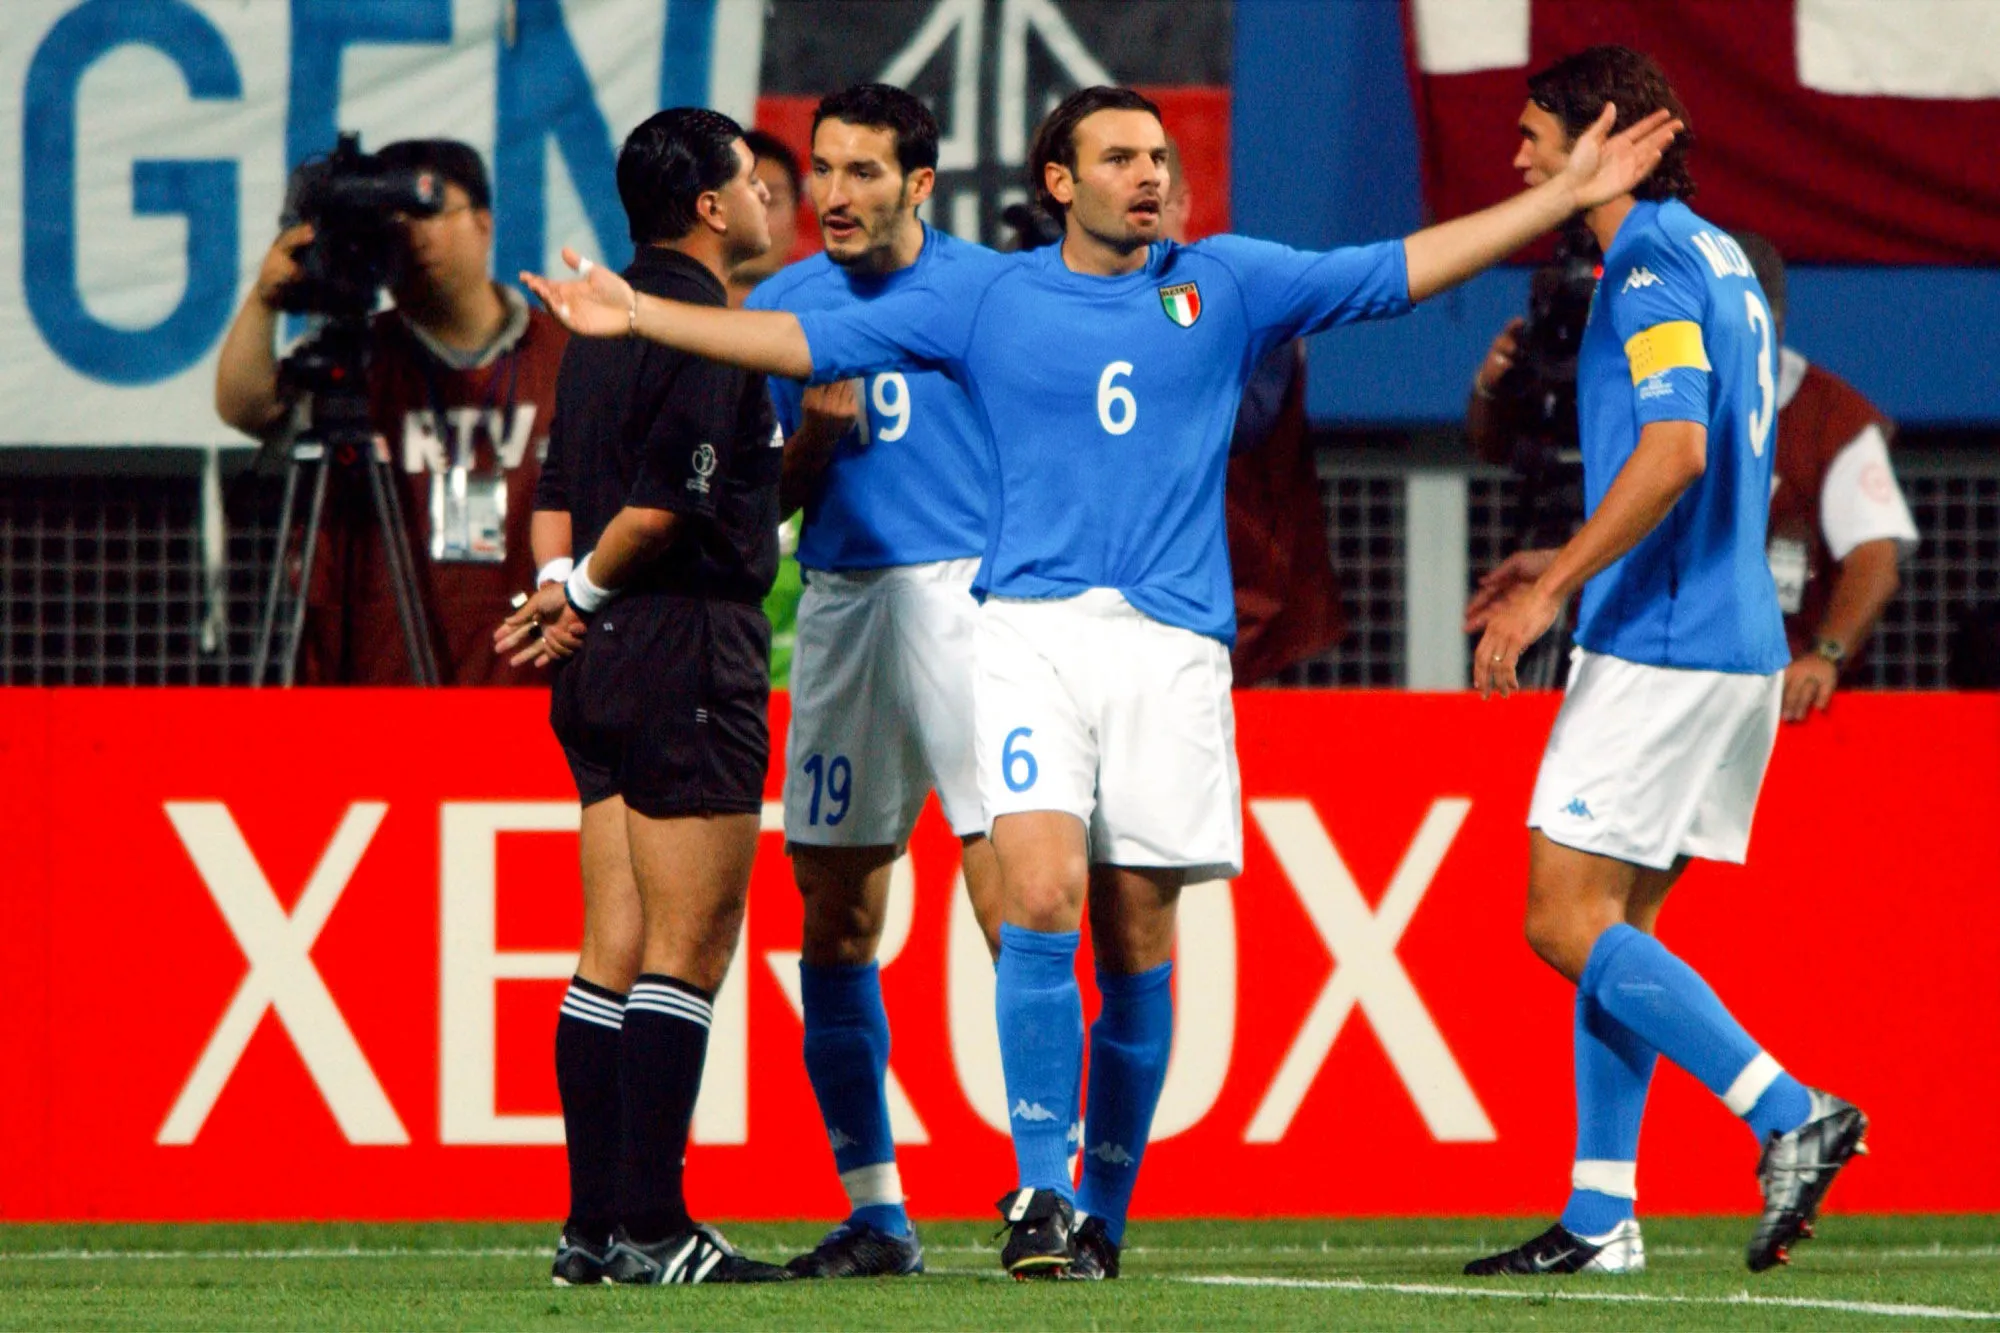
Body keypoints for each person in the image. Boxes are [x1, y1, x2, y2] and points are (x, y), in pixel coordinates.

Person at [522, 83, 1680, 1280]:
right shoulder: (993, 300)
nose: (1149, 175)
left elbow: (1394, 268)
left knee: (1134, 934)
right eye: (1119, 156)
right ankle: (1031, 1193)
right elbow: (796, 344)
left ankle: (1100, 1214)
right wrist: (646, 320)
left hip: (1170, 645)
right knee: (1036, 894)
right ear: (1058, 182)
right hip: (1023, 629)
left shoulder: (1224, 281)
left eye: (1158, 155)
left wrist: (1554, 197)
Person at [1462, 47, 1868, 1279]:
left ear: (1599, 130)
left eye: (1535, 131)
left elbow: (1676, 450)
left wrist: (1550, 583)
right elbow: (1697, 459)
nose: (1518, 155)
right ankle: (1599, 1216)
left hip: (1664, 640)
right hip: (1729, 635)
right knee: (1617, 928)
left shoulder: (1640, 263)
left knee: (1557, 917)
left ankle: (1784, 1108)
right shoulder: (1719, 255)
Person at [502, 106, 791, 1286]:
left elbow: (559, 482)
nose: (773, 198)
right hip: (683, 643)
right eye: (754, 181)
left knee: (608, 948)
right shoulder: (711, 328)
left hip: (603, 654)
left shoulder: (597, 325)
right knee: (690, 941)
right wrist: (588, 583)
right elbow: (667, 505)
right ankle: (656, 1226)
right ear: (712, 207)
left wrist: (561, 593)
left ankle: (590, 1229)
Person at [742, 83, 1005, 1280]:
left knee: (1019, 905)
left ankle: (1051, 1194)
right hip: (844, 606)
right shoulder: (782, 309)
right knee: (836, 915)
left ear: (918, 184)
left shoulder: (995, 296)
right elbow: (755, 514)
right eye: (822, 171)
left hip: (974, 603)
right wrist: (808, 442)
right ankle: (876, 1212)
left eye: (861, 173)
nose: (832, 197)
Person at [215, 139, 568, 684]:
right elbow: (246, 406)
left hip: (532, 696)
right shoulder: (356, 357)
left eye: (429, 210)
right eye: (394, 219)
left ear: (484, 223)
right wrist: (266, 298)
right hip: (378, 695)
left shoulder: (562, 354)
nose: (415, 234)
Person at [1158, 139, 1347, 683]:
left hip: (1244, 610)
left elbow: (1241, 425)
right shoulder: (1088, 309)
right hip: (1137, 606)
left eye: (1154, 203)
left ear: (1185, 204)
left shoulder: (1239, 299)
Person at [1732, 232, 1919, 721]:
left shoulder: (1833, 420)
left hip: (1785, 696)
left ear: (1770, 323)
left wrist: (1826, 655)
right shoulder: (1669, 401)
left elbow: (1874, 558)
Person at [729, 129, 804, 307]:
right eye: (737, 200)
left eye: (771, 201)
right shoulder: (659, 323)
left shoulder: (835, 325)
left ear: (795, 219)